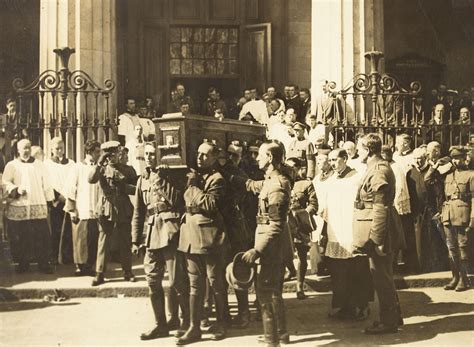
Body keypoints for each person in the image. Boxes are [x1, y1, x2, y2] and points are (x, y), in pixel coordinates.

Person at [231, 141, 292, 346]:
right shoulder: (270, 180)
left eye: (261, 155)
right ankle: (281, 334)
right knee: (273, 292)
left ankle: (271, 341)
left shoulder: (277, 186)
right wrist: (232, 177)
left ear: (271, 158)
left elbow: (276, 224)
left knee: (265, 293)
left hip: (271, 247)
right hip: (271, 244)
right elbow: (253, 185)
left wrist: (258, 250)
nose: (257, 158)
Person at [131, 142, 190, 340]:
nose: (148, 157)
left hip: (170, 231)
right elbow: (138, 212)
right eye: (145, 154)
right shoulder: (142, 181)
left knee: (176, 281)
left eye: (152, 154)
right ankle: (160, 325)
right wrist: (134, 239)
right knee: (152, 281)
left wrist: (164, 179)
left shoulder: (171, 175)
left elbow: (177, 201)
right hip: (151, 234)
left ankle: (186, 321)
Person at [176, 140, 228, 344]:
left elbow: (210, 204)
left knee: (216, 282)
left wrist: (194, 186)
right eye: (198, 153)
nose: (200, 157)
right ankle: (194, 327)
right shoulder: (193, 176)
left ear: (214, 157)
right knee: (195, 285)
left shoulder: (217, 179)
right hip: (190, 236)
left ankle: (222, 322)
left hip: (209, 237)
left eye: (205, 155)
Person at [352, 133, 403, 335]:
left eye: (360, 148)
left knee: (382, 277)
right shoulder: (374, 168)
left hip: (381, 230)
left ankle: (388, 322)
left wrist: (377, 238)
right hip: (380, 227)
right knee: (384, 275)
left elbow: (380, 207)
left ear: (369, 150)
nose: (358, 152)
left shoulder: (379, 170)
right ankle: (393, 317)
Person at [323, 148, 373, 320]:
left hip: (352, 230)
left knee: (357, 269)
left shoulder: (357, 178)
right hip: (336, 231)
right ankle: (342, 306)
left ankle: (361, 305)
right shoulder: (331, 180)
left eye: (334, 160)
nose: (331, 163)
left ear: (344, 159)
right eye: (329, 160)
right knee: (339, 271)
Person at [89, 141, 137, 286]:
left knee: (125, 240)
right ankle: (100, 273)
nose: (113, 157)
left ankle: (128, 271)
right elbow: (91, 179)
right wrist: (99, 164)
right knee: (103, 240)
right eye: (109, 155)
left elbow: (137, 188)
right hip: (105, 207)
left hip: (122, 206)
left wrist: (125, 188)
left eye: (115, 153)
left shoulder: (127, 170)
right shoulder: (101, 169)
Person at [2, 139, 54, 273]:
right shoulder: (11, 165)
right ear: (18, 150)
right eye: (24, 148)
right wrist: (16, 190)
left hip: (37, 204)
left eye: (28, 148)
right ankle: (22, 263)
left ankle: (43, 263)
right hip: (19, 206)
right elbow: (5, 183)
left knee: (40, 236)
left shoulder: (39, 165)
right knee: (20, 237)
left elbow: (47, 183)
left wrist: (49, 200)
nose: (27, 151)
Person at [218, 140, 252, 328]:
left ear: (241, 158)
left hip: (235, 228)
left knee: (239, 270)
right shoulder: (220, 172)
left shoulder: (239, 175)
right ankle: (224, 314)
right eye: (229, 154)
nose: (231, 159)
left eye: (235, 155)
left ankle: (244, 312)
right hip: (219, 227)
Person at [64, 140, 101, 276]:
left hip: (95, 208)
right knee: (80, 239)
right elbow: (70, 188)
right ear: (89, 152)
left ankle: (90, 265)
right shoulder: (78, 167)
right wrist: (72, 209)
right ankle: (80, 266)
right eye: (97, 152)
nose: (99, 154)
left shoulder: (99, 168)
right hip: (81, 208)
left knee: (93, 238)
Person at [441, 146, 473, 291]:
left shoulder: (471, 175)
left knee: (462, 247)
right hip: (448, 214)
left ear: (465, 158)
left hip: (462, 214)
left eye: (458, 158)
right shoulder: (448, 176)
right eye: (453, 158)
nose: (455, 161)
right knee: (451, 247)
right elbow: (429, 179)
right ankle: (455, 277)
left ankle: (464, 279)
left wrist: (473, 217)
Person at [286, 157, 318, 300]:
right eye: (287, 166)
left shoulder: (306, 184)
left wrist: (304, 214)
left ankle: (299, 285)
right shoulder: (283, 182)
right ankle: (291, 271)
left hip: (300, 224)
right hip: (286, 223)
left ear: (299, 169)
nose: (290, 170)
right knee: (285, 253)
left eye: (293, 167)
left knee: (302, 255)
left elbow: (314, 204)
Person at [44, 137, 76, 264]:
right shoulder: (47, 164)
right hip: (55, 201)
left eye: (61, 148)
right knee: (55, 229)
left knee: (68, 229)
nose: (59, 151)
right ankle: (54, 257)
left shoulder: (71, 163)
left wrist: (67, 195)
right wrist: (58, 196)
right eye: (56, 149)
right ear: (52, 149)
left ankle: (66, 256)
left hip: (68, 199)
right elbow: (47, 183)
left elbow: (73, 181)